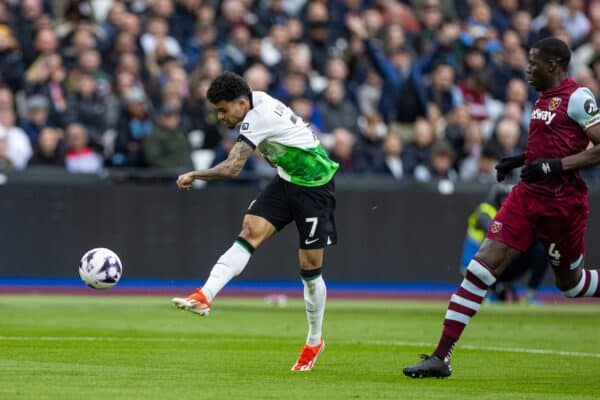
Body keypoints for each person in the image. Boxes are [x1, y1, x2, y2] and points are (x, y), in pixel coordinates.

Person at [404, 37, 600, 378]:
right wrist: (524, 158)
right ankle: (440, 357)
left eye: (534, 61)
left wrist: (555, 166)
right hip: (526, 197)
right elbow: (555, 142)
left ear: (553, 66)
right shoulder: (542, 99)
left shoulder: (579, 98)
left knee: (571, 285)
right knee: (480, 269)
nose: (527, 67)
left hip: (563, 206)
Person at [171, 71, 339, 372]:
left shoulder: (256, 117)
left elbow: (232, 169)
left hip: (315, 186)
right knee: (250, 230)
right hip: (288, 180)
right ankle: (205, 295)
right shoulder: (255, 99)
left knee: (310, 271)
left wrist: (196, 174)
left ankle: (314, 340)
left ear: (241, 103)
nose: (221, 117)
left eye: (223, 110)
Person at [459, 184, 548, 304]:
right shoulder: (485, 209)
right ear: (497, 198)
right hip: (476, 263)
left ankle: (530, 295)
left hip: (500, 265)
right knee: (498, 246)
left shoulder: (518, 212)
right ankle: (492, 293)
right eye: (504, 199)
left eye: (511, 198)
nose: (507, 202)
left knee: (540, 250)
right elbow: (495, 233)